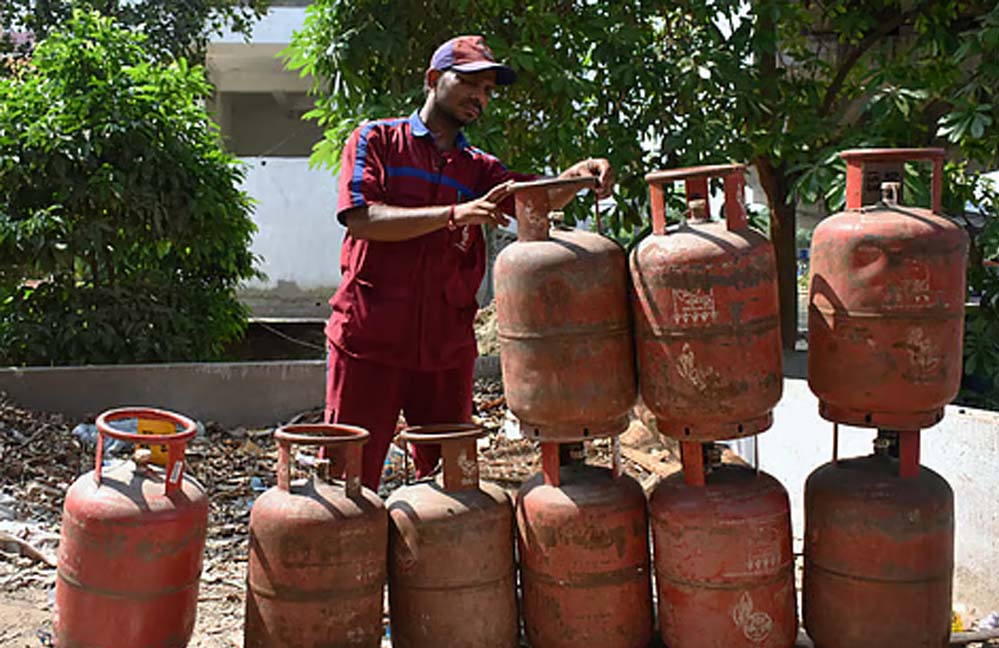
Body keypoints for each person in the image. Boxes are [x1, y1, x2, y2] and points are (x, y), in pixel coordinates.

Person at [327, 34, 615, 489]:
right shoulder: (376, 140)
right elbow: (362, 219)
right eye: (469, 82)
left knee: (451, 486)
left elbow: (531, 199)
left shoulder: (479, 169)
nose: (479, 97)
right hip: (369, 339)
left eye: (487, 90)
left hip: (445, 346)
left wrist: (577, 178)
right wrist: (454, 214)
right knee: (348, 481)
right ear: (433, 79)